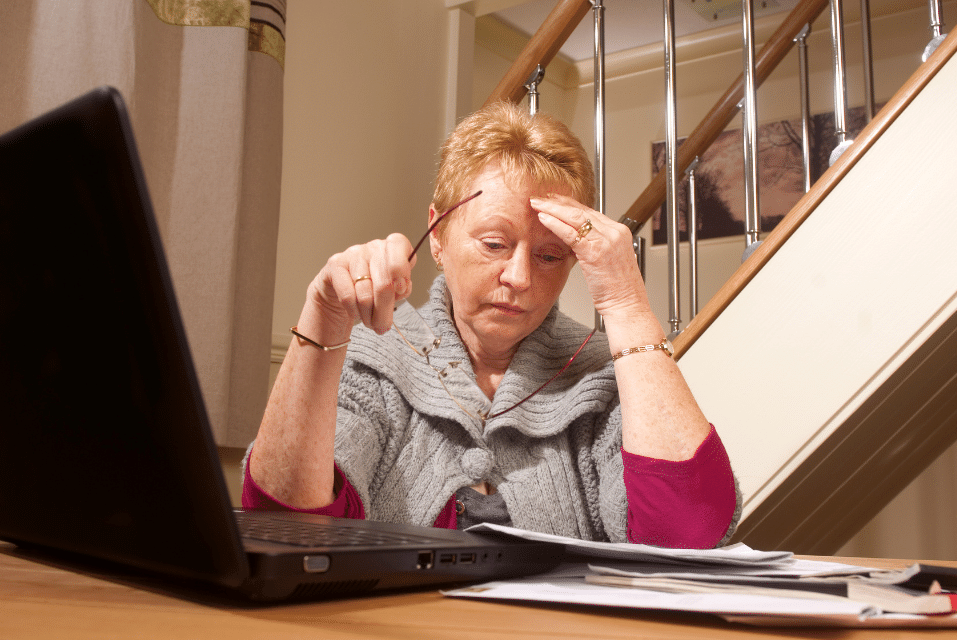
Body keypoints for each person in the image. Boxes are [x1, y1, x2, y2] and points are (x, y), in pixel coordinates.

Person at [243, 101, 740, 547]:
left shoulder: (602, 380)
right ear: (437, 236)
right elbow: (284, 527)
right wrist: (323, 317)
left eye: (550, 255)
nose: (520, 277)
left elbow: (687, 536)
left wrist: (628, 305)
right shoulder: (376, 360)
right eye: (494, 245)